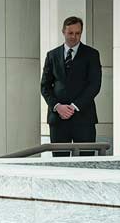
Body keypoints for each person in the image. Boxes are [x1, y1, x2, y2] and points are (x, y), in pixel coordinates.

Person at [39, 16, 101, 145]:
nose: (74, 36)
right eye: (70, 33)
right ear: (63, 32)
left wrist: (73, 107)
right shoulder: (52, 55)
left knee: (85, 162)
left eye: (77, 33)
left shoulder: (92, 54)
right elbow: (45, 86)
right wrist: (58, 107)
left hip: (84, 118)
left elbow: (94, 85)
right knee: (59, 161)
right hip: (58, 119)